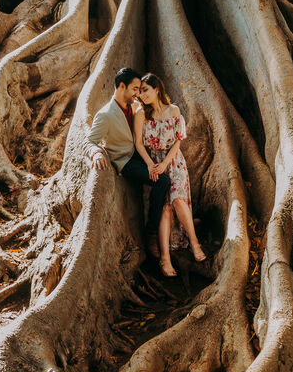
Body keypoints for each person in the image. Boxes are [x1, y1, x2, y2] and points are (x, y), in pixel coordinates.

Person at [87, 67, 171, 255]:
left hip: (138, 153)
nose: (138, 93)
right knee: (163, 180)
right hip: (124, 161)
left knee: (168, 174)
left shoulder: (133, 106)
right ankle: (151, 234)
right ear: (122, 86)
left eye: (140, 89)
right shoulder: (105, 115)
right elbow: (90, 140)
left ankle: (176, 225)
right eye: (134, 89)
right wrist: (96, 153)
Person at [132, 72, 206, 277]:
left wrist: (166, 163)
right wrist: (151, 164)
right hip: (153, 164)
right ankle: (165, 258)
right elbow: (138, 143)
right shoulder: (141, 114)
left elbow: (178, 141)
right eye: (140, 92)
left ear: (157, 89)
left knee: (178, 200)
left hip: (174, 161)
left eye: (146, 90)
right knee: (165, 208)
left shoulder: (174, 111)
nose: (143, 95)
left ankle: (194, 243)